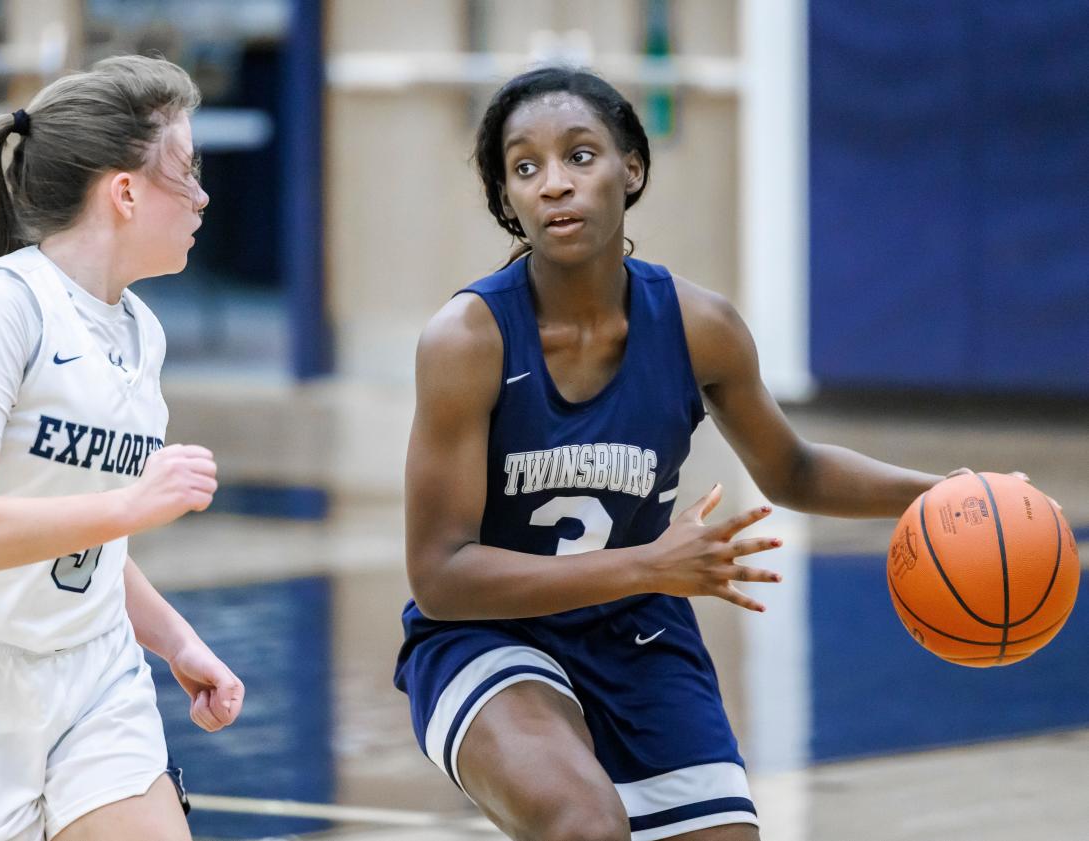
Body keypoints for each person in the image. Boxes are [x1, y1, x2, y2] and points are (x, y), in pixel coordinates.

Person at [394, 67, 1003, 841]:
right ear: (507, 200)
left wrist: (947, 491)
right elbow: (442, 578)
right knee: (583, 824)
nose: (554, 184)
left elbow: (795, 470)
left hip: (636, 635)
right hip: (485, 635)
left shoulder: (699, 325)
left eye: (580, 156)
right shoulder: (467, 339)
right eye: (525, 167)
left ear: (632, 169)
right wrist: (650, 565)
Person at [0, 55, 243, 841]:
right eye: (188, 173)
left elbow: (78, 535)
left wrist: (174, 637)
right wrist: (130, 504)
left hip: (93, 674)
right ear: (125, 191)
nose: (202, 196)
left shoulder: (141, 331)